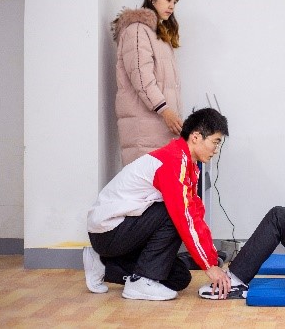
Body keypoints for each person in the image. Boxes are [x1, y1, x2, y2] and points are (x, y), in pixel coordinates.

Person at [84, 108, 232, 301]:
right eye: (215, 142)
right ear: (196, 137)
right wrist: (208, 266)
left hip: (123, 232)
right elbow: (184, 218)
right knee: (173, 214)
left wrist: (211, 261)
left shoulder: (188, 165)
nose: (216, 150)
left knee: (179, 278)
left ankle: (104, 265)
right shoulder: (173, 161)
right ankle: (141, 281)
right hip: (108, 232)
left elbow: (196, 216)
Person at [112, 0, 184, 166]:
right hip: (144, 131)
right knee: (146, 182)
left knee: (161, 182)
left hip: (160, 129)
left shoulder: (159, 36)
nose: (172, 6)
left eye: (175, 2)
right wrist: (166, 111)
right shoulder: (137, 31)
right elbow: (142, 80)